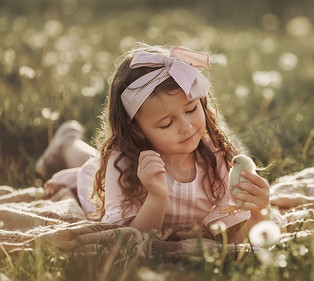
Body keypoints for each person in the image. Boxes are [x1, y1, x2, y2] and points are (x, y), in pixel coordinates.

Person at [40, 44, 272, 243]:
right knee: (90, 171)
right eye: (166, 124)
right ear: (137, 130)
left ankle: (68, 145)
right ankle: (67, 143)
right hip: (107, 180)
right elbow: (130, 238)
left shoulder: (217, 157)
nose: (187, 127)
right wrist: (157, 197)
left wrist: (258, 214)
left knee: (91, 164)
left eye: (191, 109)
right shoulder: (122, 166)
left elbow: (230, 237)